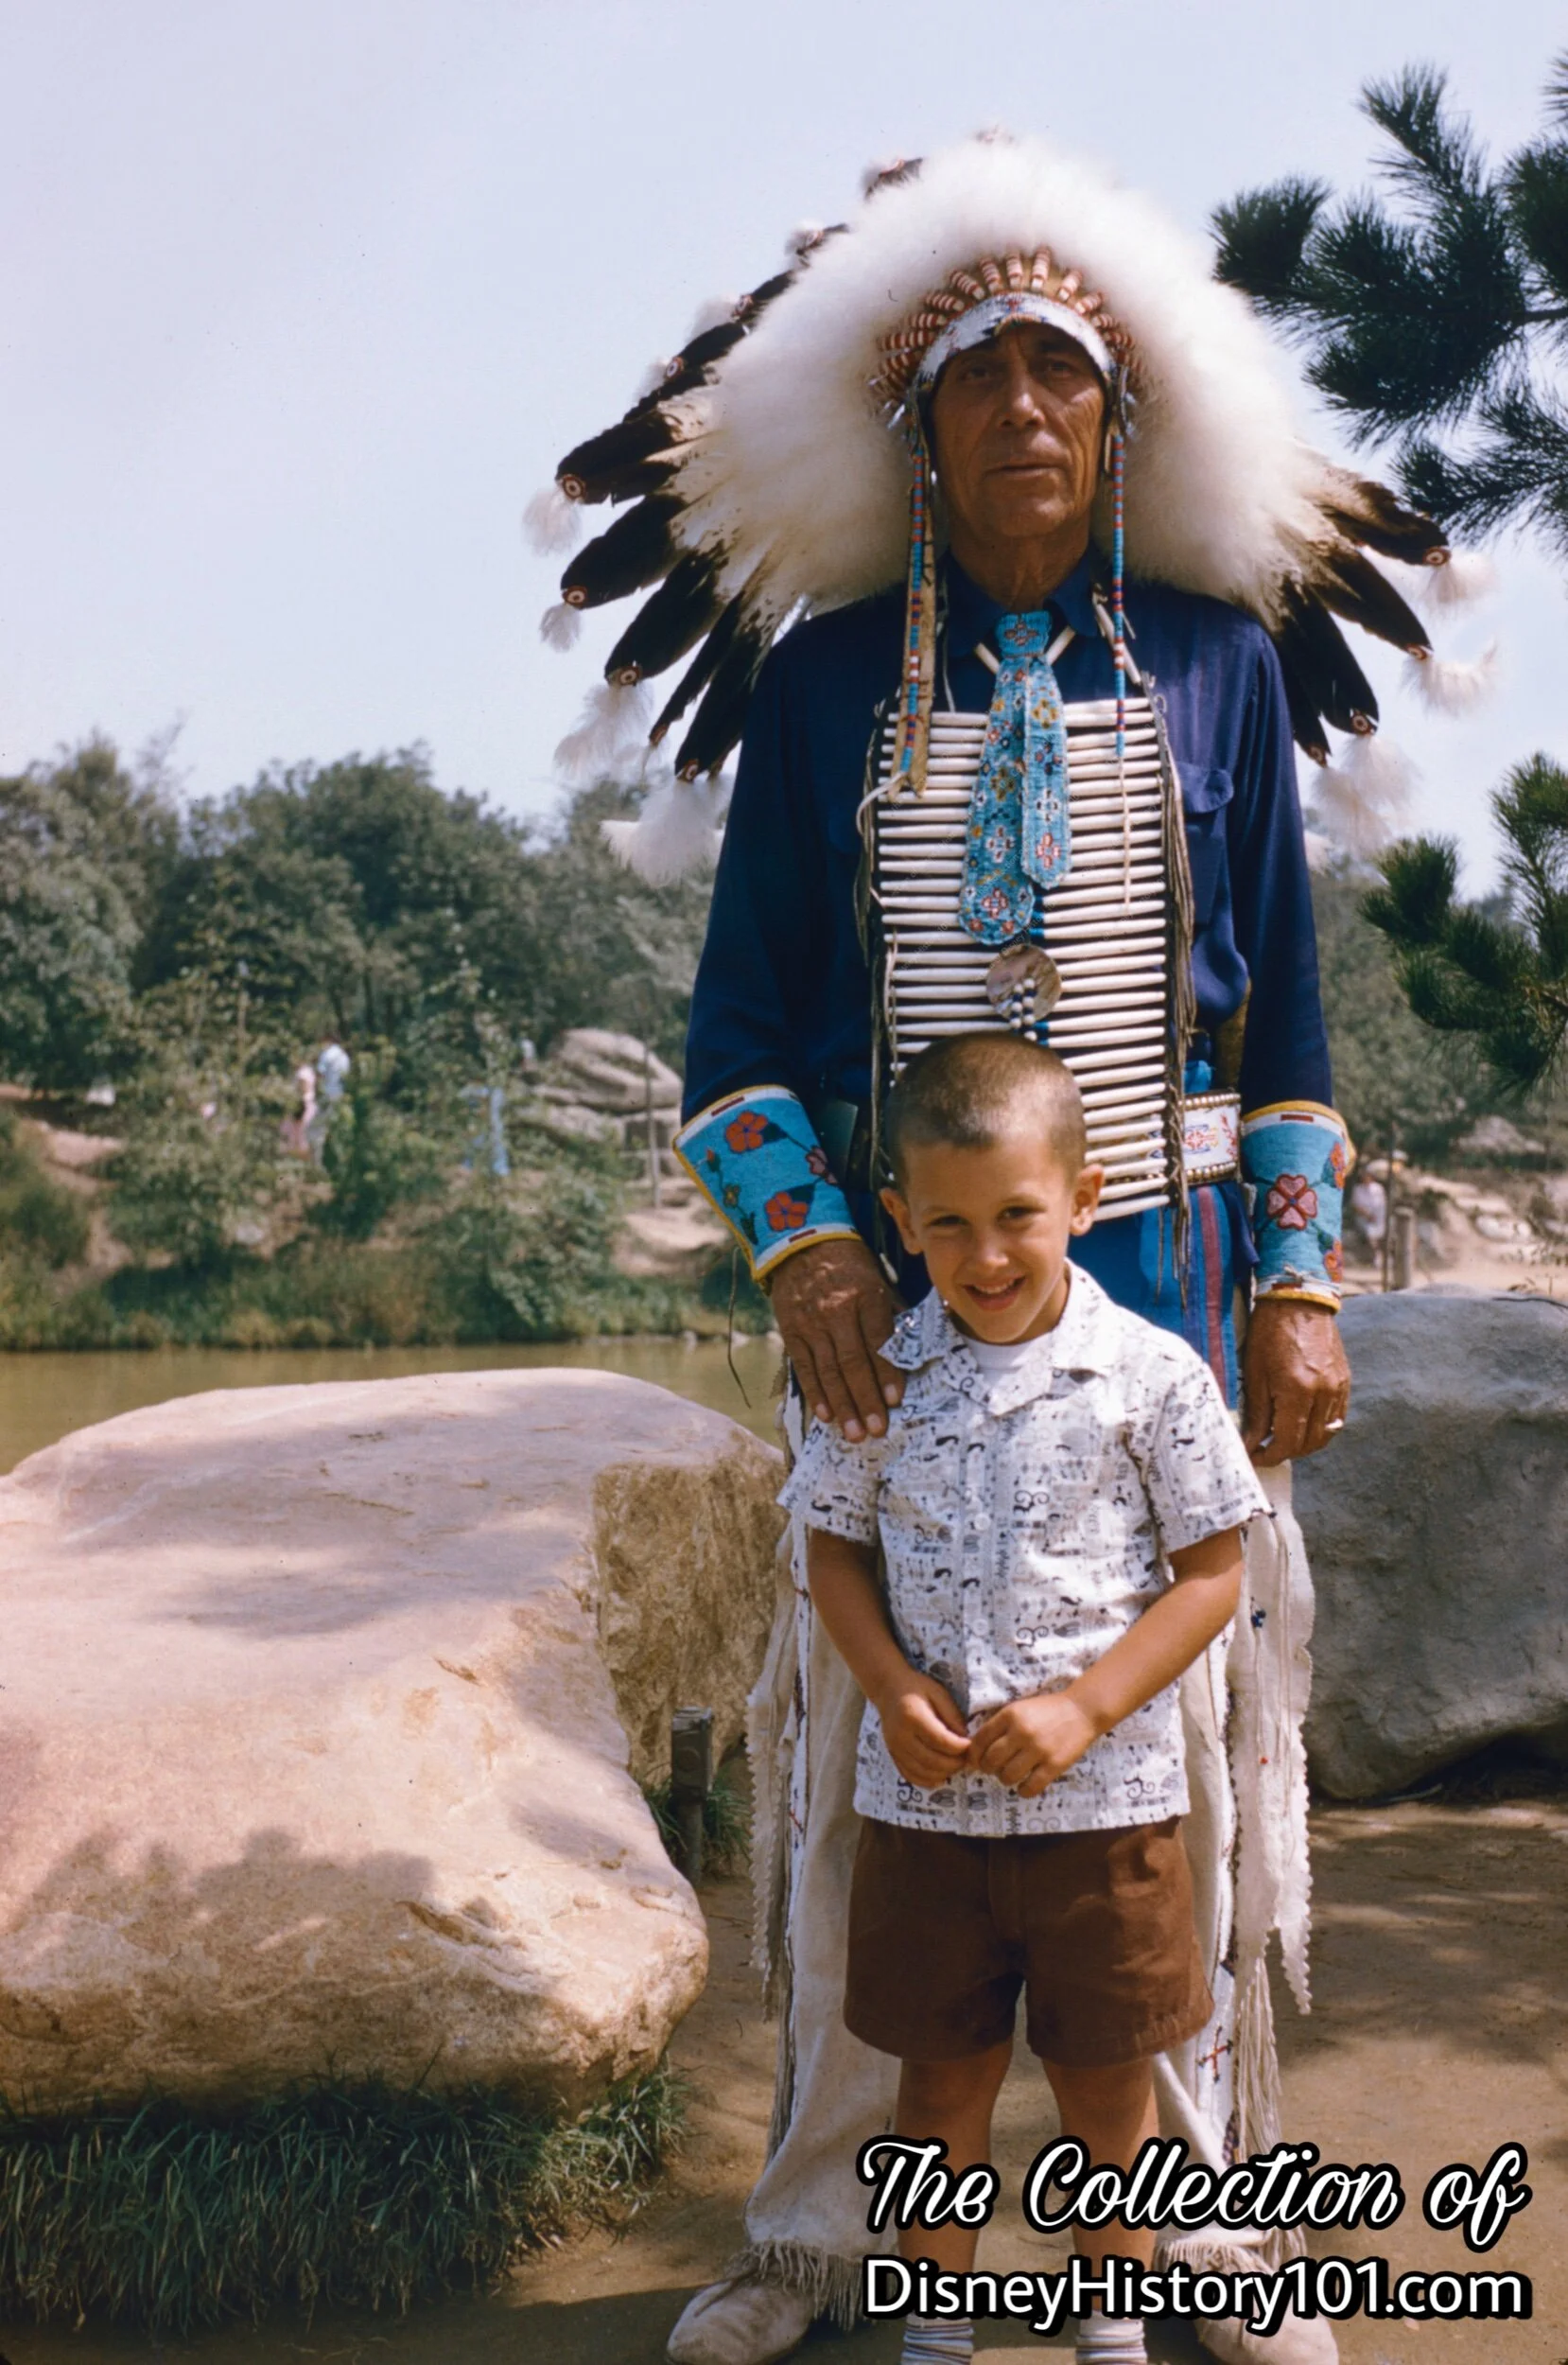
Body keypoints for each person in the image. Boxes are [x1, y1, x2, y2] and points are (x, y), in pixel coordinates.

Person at [533, 132, 1464, 2365]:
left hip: (1157, 1299)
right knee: (878, 1779)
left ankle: (1197, 2251)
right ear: (918, 428)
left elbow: (1292, 1030)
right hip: (895, 1319)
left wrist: (1307, 1275)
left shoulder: (1221, 669)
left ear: (1117, 419)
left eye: (1064, 373)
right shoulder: (830, 680)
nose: (1025, 411)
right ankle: (829, 2237)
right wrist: (803, 1255)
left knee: (1182, 1785)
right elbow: (741, 1026)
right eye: (980, 377)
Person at [789, 1033, 1269, 2365]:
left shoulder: (1154, 1376)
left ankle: (1109, 2317)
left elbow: (1210, 1571)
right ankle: (932, 2323)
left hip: (1105, 1813)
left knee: (1105, 2089)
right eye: (946, 1225)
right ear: (898, 1221)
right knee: (935, 2085)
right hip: (925, 1815)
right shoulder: (879, 1384)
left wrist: (1086, 1708)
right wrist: (887, 1689)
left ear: (1083, 1197)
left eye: (1015, 1216)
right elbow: (830, 1549)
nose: (985, 1255)